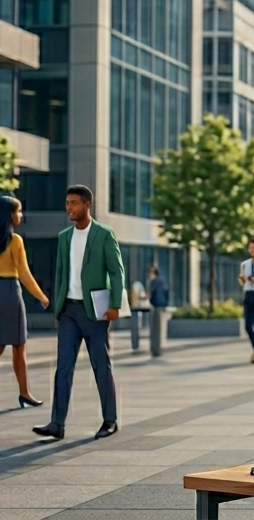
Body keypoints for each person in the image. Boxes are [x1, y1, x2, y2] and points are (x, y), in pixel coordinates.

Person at [33, 185, 125, 441]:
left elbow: (117, 272)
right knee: (63, 368)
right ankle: (57, 423)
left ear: (87, 205)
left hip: (95, 312)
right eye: (67, 203)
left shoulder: (104, 234)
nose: (69, 208)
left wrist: (115, 304)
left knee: (100, 365)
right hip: (69, 312)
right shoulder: (64, 237)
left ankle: (110, 419)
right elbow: (61, 273)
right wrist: (59, 308)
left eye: (74, 203)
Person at [0, 196, 50, 407]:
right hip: (10, 292)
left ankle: (25, 394)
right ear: (9, 215)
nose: (21, 215)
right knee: (19, 346)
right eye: (18, 211)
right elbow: (24, 274)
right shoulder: (15, 241)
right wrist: (42, 296)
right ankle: (24, 393)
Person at [148, 264, 168, 357]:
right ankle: (158, 349)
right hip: (162, 306)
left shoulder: (154, 281)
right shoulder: (163, 281)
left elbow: (151, 293)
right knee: (160, 329)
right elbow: (166, 292)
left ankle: (154, 349)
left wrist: (150, 301)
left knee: (154, 329)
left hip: (155, 306)